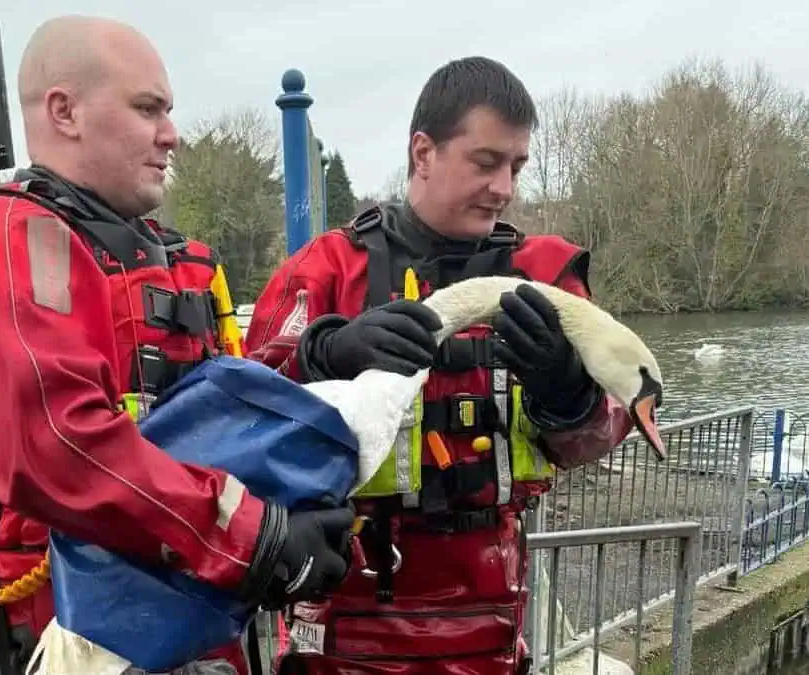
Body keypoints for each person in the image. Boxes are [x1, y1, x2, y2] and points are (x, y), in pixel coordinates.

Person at [0, 16, 355, 675]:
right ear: (64, 111)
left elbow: (211, 406)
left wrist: (323, 358)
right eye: (148, 109)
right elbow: (57, 448)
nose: (171, 134)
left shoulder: (160, 255)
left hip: (196, 612)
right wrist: (257, 538)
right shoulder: (13, 249)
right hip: (86, 634)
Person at [244, 56, 635, 674]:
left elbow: (609, 425)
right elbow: (243, 420)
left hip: (490, 621)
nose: (504, 187)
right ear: (423, 153)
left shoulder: (545, 278)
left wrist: (569, 393)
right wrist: (323, 356)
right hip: (345, 621)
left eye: (516, 167)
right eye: (486, 162)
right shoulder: (325, 270)